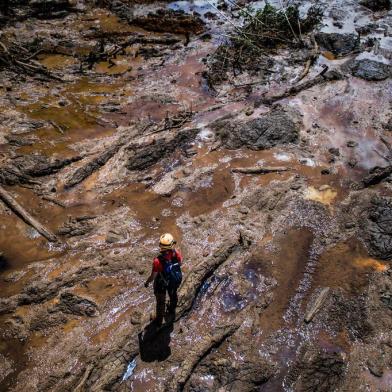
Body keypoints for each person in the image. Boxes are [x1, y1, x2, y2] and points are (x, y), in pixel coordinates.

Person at [144, 233, 183, 326]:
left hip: (161, 283)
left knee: (160, 303)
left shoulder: (157, 261)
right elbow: (180, 263)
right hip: (173, 280)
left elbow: (153, 276)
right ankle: (171, 310)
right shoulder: (175, 252)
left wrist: (147, 282)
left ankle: (159, 321)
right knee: (173, 295)